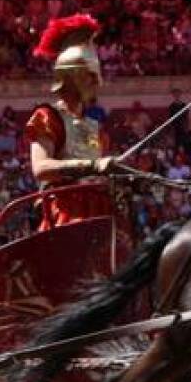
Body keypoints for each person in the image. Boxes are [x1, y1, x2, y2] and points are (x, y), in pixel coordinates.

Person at [25, 14, 119, 229]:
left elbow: (99, 172)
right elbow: (40, 168)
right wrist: (92, 165)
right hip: (64, 213)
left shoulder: (94, 127)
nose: (96, 82)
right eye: (89, 75)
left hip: (97, 210)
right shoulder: (47, 117)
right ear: (71, 76)